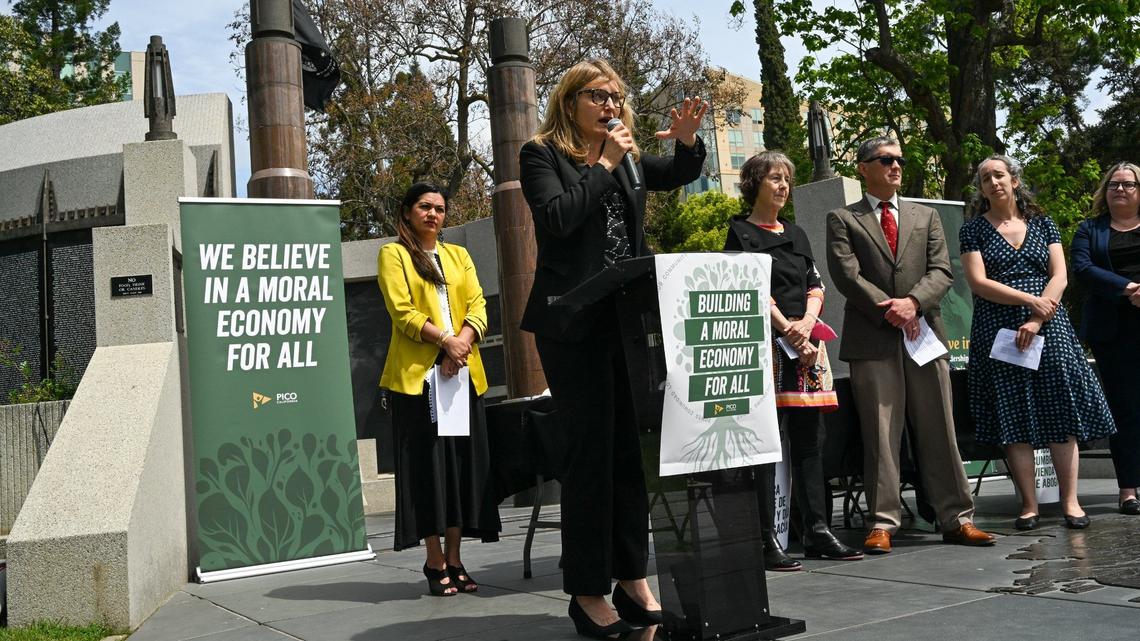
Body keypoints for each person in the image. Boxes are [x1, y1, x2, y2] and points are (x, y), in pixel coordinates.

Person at [518, 58, 706, 638]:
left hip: (626, 321)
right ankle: (585, 590)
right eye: (599, 95)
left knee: (629, 455)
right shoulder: (540, 154)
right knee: (589, 458)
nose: (612, 106)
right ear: (570, 99)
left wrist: (688, 142)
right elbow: (558, 218)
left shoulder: (624, 158)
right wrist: (603, 163)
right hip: (572, 326)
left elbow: (674, 172)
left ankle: (631, 578)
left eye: (618, 97)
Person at [825, 136, 995, 554]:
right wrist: (891, 309)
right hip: (873, 337)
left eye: (899, 160)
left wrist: (914, 303)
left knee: (940, 427)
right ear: (863, 168)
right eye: (886, 160)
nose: (896, 166)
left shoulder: (926, 216)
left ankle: (957, 517)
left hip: (924, 334)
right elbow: (846, 276)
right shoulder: (842, 218)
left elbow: (942, 271)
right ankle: (883, 522)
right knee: (880, 434)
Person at [959, 155, 1115, 530]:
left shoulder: (1043, 223)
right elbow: (978, 283)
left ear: (1014, 180)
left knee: (1061, 410)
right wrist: (1028, 301)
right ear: (981, 189)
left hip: (1049, 323)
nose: (993, 182)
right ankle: (1028, 505)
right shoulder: (973, 230)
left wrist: (1036, 316)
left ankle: (1071, 503)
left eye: (999, 175)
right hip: (998, 328)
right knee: (1012, 414)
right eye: (985, 179)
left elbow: (1059, 275)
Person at [724, 151, 863, 570]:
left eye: (786, 179)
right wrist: (788, 329)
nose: (783, 186)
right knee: (766, 445)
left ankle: (818, 530)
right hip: (767, 348)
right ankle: (767, 540)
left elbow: (815, 284)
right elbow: (749, 289)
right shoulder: (739, 233)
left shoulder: (798, 233)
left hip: (805, 349)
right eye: (774, 179)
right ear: (754, 184)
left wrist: (806, 324)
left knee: (809, 443)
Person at [376, 183, 501, 596]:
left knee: (460, 471)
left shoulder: (458, 256)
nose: (433, 214)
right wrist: (445, 342)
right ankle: (434, 560)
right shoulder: (394, 254)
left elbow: (479, 304)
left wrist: (461, 343)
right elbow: (402, 312)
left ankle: (456, 557)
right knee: (428, 473)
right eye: (424, 207)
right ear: (408, 212)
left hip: (464, 375)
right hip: (418, 381)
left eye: (440, 209)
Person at [1071, 161, 1140, 516]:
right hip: (1112, 331)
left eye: (1128, 184)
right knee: (1124, 410)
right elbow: (1082, 268)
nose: (1121, 190)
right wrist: (1127, 288)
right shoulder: (1090, 229)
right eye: (1114, 184)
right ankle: (1128, 489)